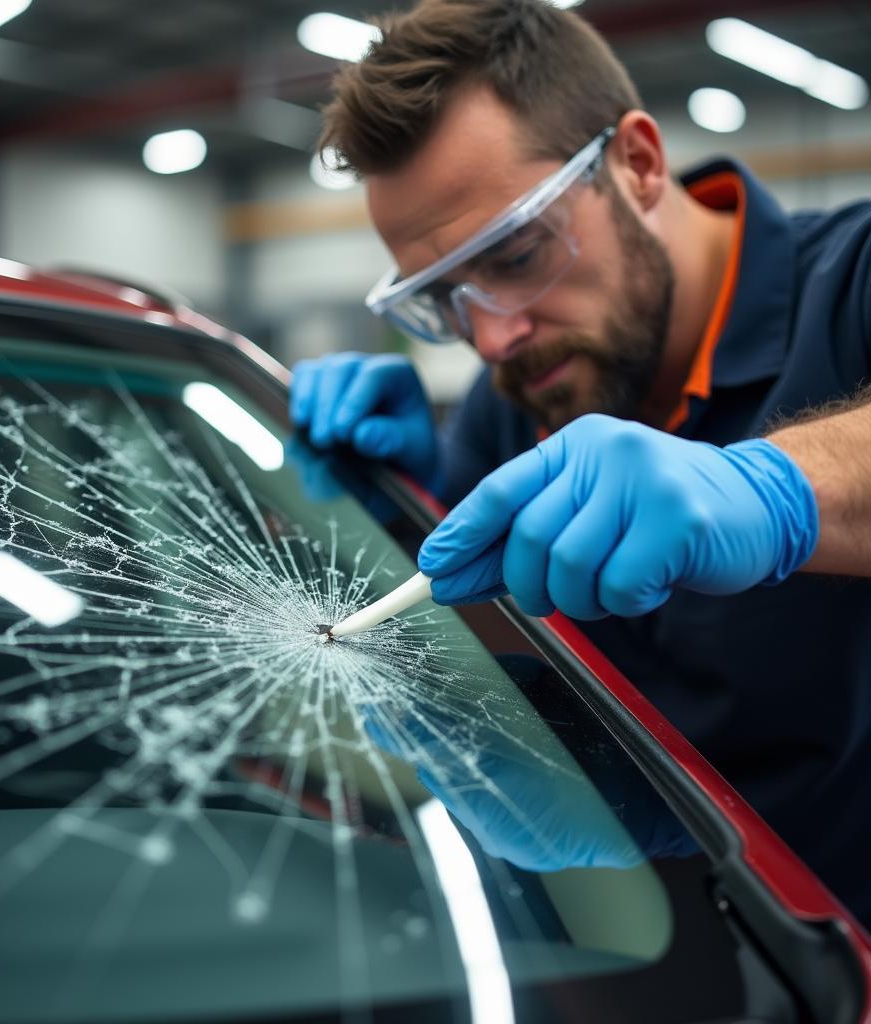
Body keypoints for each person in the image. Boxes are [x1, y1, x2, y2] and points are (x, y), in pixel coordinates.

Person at [290, 0, 871, 923]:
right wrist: (412, 497)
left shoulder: (854, 285)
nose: (492, 338)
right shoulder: (514, 406)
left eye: (517, 256)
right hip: (676, 957)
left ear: (638, 164)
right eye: (446, 302)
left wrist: (777, 489)